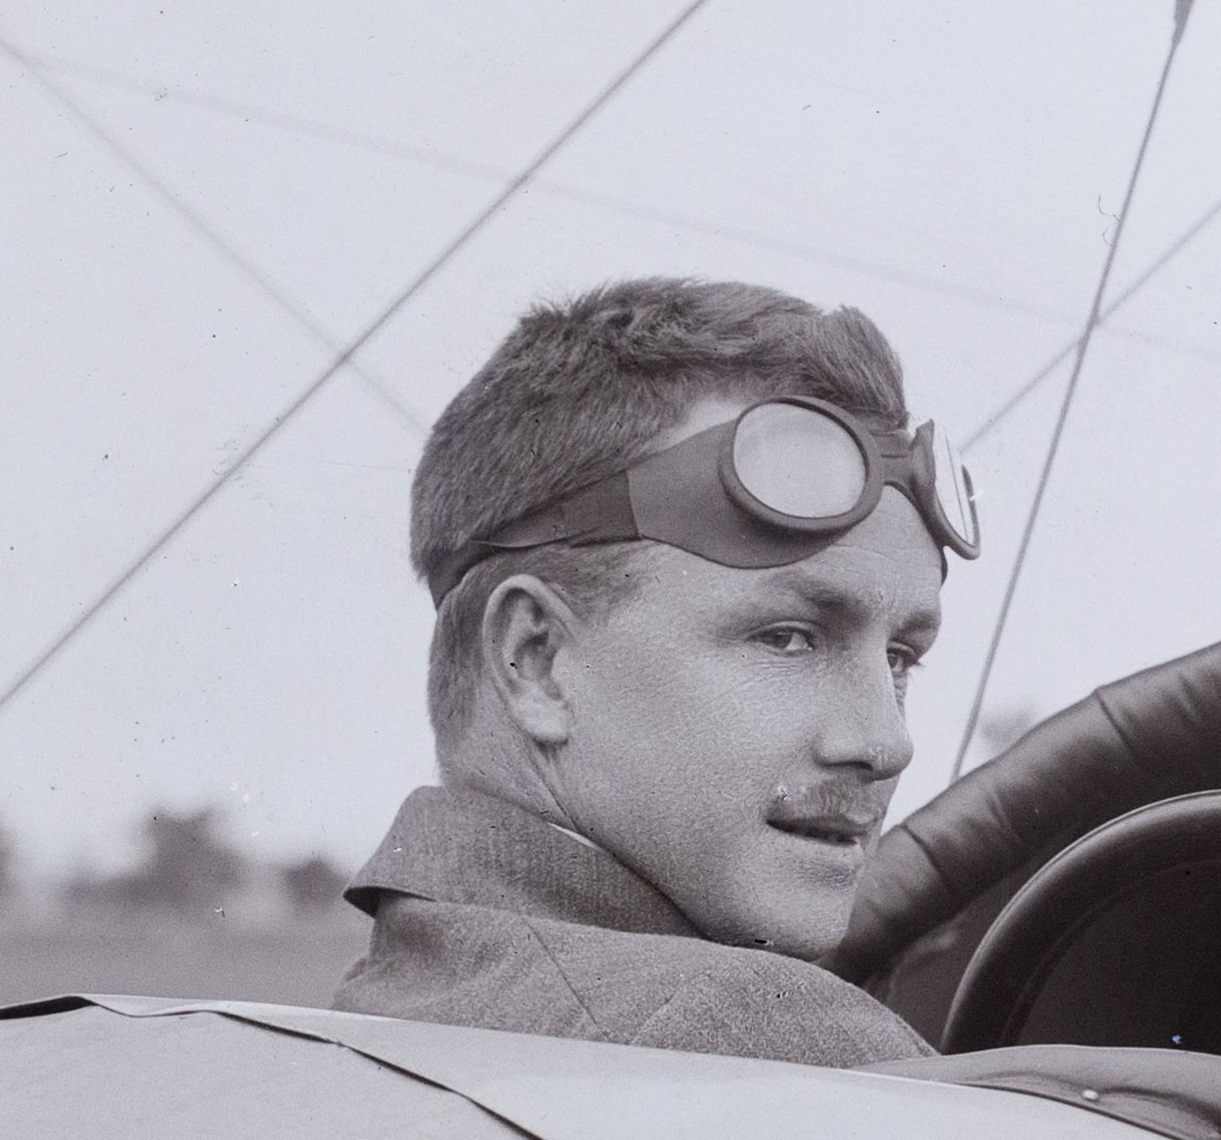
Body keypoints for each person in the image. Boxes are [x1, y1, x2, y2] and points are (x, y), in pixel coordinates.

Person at [331, 279, 972, 1061]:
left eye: (900, 658)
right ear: (537, 661)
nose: (885, 741)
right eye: (789, 638)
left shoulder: (388, 1003)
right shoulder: (759, 1035)